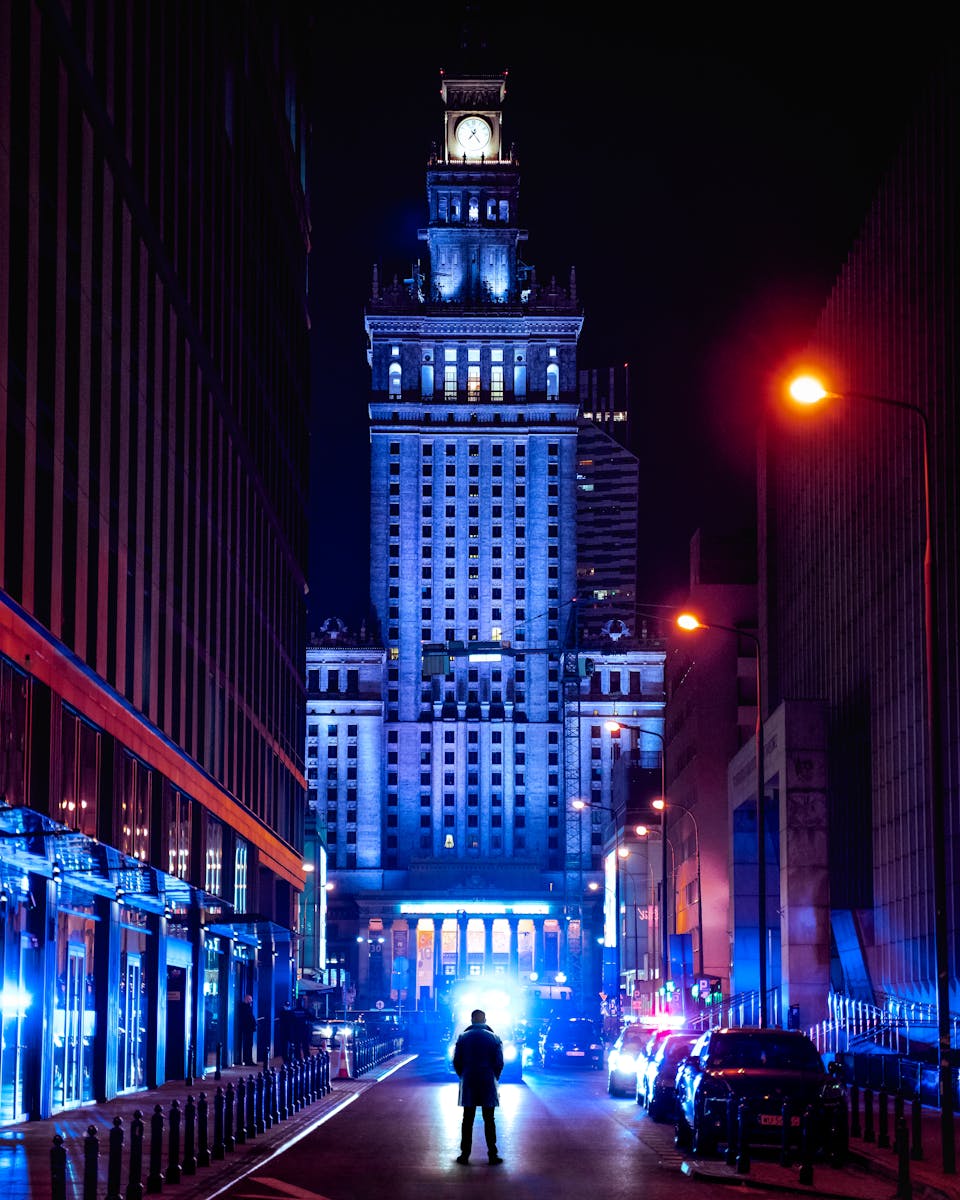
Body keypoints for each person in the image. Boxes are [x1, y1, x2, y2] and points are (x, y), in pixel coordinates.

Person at [452, 1008, 504, 1165]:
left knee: (467, 1119)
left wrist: (463, 1075)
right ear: (485, 1020)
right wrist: (494, 1077)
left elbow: (456, 1061)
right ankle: (492, 1154)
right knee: (489, 1119)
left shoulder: (463, 1037)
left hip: (469, 1081)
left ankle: (465, 1154)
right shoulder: (494, 1038)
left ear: (472, 1020)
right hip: (488, 1080)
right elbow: (499, 1062)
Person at [239, 994, 256, 1066]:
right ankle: (248, 1060)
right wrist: (251, 1024)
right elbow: (247, 1018)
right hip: (247, 1029)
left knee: (249, 1044)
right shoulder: (245, 1008)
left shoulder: (246, 1007)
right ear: (246, 999)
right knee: (248, 1045)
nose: (251, 1001)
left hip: (249, 1028)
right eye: (250, 1000)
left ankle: (249, 1060)